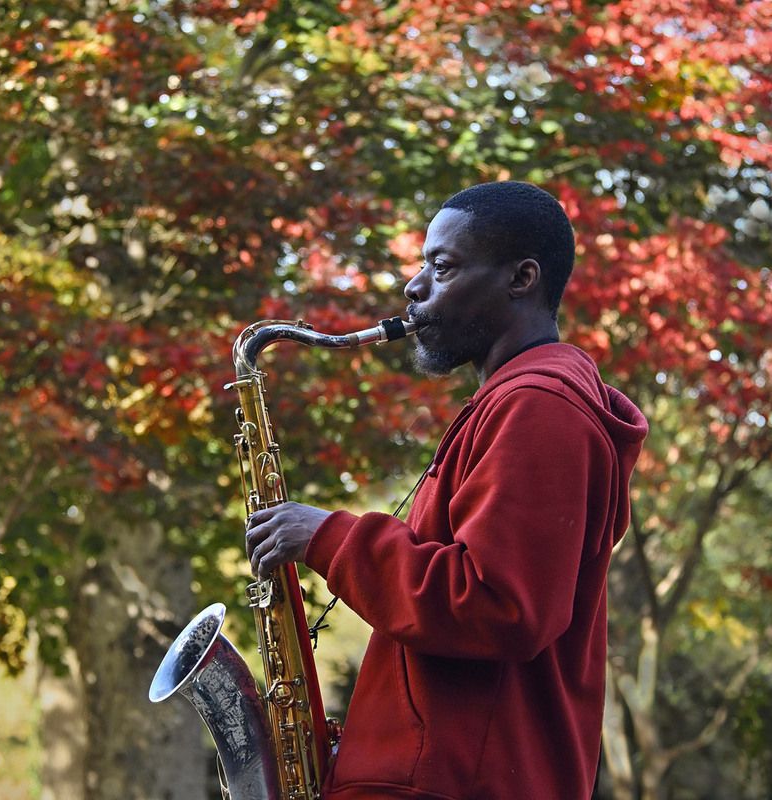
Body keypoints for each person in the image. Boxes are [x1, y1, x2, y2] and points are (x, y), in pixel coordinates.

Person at [245, 181, 648, 800]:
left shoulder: (540, 407)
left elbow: (498, 606)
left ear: (522, 279)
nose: (414, 286)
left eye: (443, 266)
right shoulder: (514, 402)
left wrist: (328, 536)